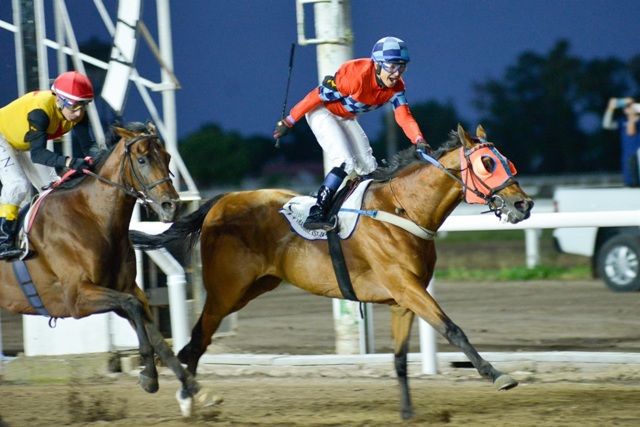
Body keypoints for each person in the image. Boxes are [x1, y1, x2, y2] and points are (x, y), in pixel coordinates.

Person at [274, 36, 431, 231]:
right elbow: (315, 96)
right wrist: (289, 120)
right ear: (377, 65)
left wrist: (419, 140)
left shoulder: (397, 88)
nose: (397, 74)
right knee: (345, 161)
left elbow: (404, 116)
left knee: (369, 167)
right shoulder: (356, 76)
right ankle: (317, 211)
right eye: (392, 66)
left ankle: (363, 211)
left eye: (402, 67)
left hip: (345, 117)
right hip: (322, 112)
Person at [0, 71, 99, 259]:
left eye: (83, 105)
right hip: (3, 137)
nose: (78, 112)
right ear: (58, 100)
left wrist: (101, 159)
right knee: (18, 185)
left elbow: (88, 146)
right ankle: (2, 241)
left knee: (53, 188)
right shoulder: (40, 112)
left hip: (24, 141)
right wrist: (69, 162)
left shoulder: (77, 113)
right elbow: (38, 154)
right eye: (74, 105)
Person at [602, 97, 640, 187]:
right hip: (627, 156)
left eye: (630, 106)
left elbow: (631, 132)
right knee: (631, 184)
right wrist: (610, 108)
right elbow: (606, 125)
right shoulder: (622, 121)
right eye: (626, 106)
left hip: (638, 155)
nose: (628, 108)